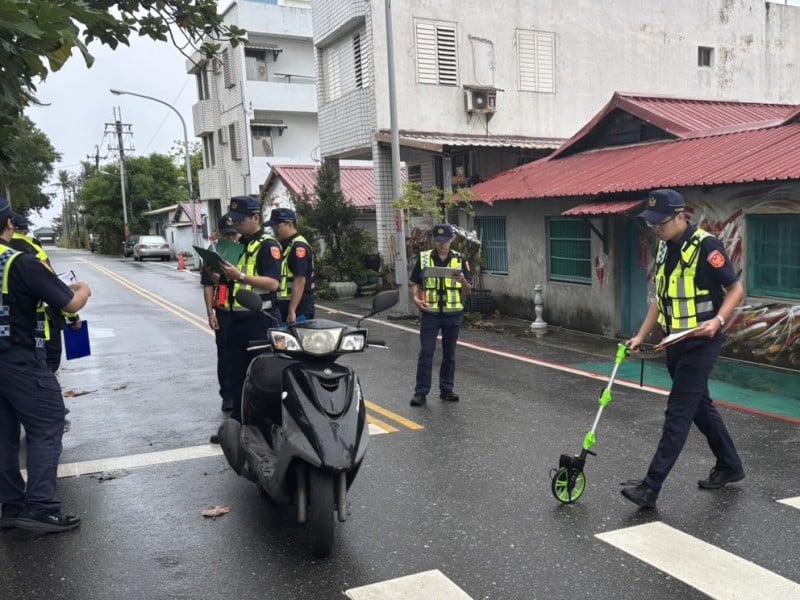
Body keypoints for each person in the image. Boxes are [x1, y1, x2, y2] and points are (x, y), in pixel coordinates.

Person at [621, 189, 745, 509]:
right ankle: (730, 464)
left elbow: (736, 289)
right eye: (652, 224)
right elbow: (659, 301)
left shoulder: (707, 246)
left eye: (660, 223)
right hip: (674, 341)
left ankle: (651, 486)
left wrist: (719, 319)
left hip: (702, 342)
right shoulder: (665, 248)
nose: (655, 229)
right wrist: (640, 336)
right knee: (699, 406)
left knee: (678, 412)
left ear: (680, 217)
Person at [0, 196, 92, 533]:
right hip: (18, 357)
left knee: (4, 435)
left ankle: (10, 506)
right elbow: (68, 303)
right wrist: (84, 288)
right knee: (46, 424)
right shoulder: (19, 262)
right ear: (9, 225)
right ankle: (40, 507)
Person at [216, 196, 282, 424]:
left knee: (263, 375)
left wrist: (241, 276)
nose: (236, 225)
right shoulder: (238, 244)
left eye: (240, 220)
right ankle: (238, 425)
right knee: (236, 374)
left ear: (256, 217)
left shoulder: (268, 245)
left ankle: (265, 424)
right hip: (235, 319)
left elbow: (274, 284)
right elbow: (229, 282)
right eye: (233, 221)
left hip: (260, 319)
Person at [9, 213, 82, 373]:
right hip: (39, 329)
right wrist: (73, 317)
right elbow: (52, 290)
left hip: (8, 334)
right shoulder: (34, 251)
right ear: (26, 230)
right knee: (45, 371)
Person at [409, 223, 472, 407]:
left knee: (449, 354)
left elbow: (469, 290)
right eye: (438, 241)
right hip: (430, 312)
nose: (442, 244)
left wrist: (462, 281)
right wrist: (415, 298)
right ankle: (421, 392)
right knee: (426, 352)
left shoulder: (460, 260)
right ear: (433, 240)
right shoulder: (424, 258)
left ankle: (446, 389)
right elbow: (415, 281)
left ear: (452, 239)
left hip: (452, 314)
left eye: (445, 241)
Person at [201, 216, 240, 412]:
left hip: (244, 309)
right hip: (223, 309)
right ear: (220, 234)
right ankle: (228, 395)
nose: (231, 238)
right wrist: (210, 313)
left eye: (234, 234)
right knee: (225, 355)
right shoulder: (213, 253)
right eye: (227, 235)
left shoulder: (248, 249)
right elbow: (207, 286)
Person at [265, 208, 315, 324]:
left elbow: (300, 280)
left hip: (298, 308)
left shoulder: (298, 247)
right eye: (272, 227)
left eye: (277, 227)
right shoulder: (285, 244)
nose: (274, 230)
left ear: (290, 224)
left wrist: (292, 310)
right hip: (285, 306)